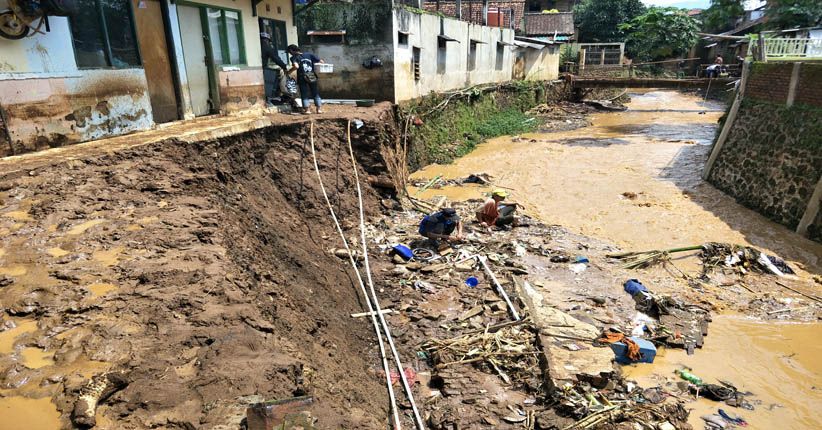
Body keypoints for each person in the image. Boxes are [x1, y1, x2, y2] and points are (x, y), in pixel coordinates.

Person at [287, 44, 324, 114]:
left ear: (291, 51)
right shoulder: (309, 54)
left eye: (289, 52)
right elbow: (321, 61)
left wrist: (289, 71)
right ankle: (319, 110)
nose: (290, 54)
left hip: (302, 77)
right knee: (315, 92)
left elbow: (296, 66)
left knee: (304, 93)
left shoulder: (294, 57)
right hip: (312, 75)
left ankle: (307, 110)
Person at [260, 32, 288, 106]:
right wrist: (284, 66)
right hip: (262, 69)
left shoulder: (257, 46)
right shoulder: (267, 47)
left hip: (259, 69)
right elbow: (276, 59)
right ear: (267, 40)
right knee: (269, 84)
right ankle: (269, 99)